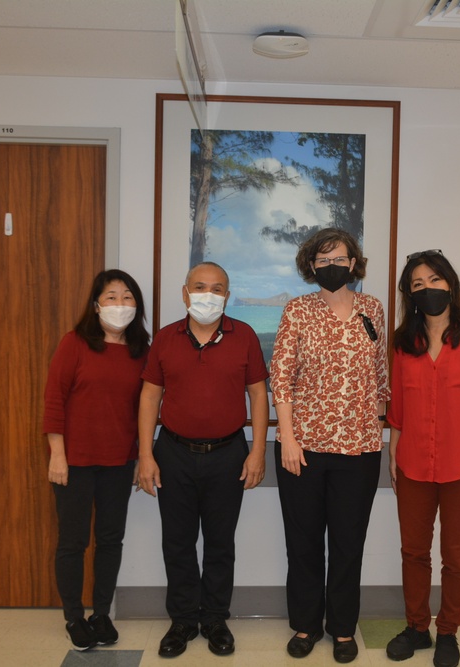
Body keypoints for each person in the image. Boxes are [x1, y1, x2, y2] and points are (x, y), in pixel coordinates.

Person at [136, 261, 269, 659]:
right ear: (184, 292)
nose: (208, 295)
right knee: (176, 543)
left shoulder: (244, 336)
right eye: (200, 286)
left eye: (217, 289)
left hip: (228, 454)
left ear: (227, 296)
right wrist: (146, 454)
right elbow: (149, 396)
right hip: (172, 453)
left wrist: (258, 450)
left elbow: (259, 395)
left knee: (219, 543)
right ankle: (181, 621)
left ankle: (213, 619)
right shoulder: (164, 338)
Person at [270, 228, 390, 664]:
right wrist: (286, 437)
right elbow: (280, 377)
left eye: (339, 258)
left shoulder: (372, 310)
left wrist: (376, 429)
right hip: (301, 448)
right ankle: (305, 624)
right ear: (311, 266)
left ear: (354, 263)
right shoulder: (297, 311)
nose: (331, 266)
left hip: (359, 450)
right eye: (322, 260)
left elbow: (381, 378)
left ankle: (342, 628)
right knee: (302, 542)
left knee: (347, 542)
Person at [384, 250, 460, 667]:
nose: (427, 289)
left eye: (434, 280)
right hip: (414, 465)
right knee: (413, 552)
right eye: (417, 284)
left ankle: (448, 632)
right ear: (410, 294)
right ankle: (417, 628)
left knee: (457, 557)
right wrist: (393, 453)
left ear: (450, 284)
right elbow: (397, 410)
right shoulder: (404, 343)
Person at [43, 269, 150, 651]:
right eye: (111, 296)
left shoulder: (142, 351)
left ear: (136, 306)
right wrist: (58, 455)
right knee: (73, 542)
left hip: (119, 461)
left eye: (127, 297)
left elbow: (144, 409)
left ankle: (101, 613)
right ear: (96, 305)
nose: (119, 304)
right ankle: (74, 616)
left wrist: (140, 456)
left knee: (110, 539)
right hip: (74, 462)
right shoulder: (74, 343)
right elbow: (54, 399)